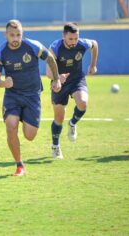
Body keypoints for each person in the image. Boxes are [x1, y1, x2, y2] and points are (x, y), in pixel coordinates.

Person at [0, 19, 61, 176]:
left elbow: (50, 58)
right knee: (10, 126)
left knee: (29, 136)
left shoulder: (33, 46)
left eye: (18, 35)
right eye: (12, 35)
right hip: (13, 95)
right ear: (5, 35)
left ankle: (23, 117)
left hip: (32, 96)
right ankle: (19, 165)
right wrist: (4, 83)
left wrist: (56, 79)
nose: (15, 39)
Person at [46, 22, 99, 159]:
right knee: (59, 117)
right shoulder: (55, 48)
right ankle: (55, 146)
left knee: (83, 103)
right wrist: (57, 78)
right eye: (70, 39)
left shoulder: (82, 44)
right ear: (64, 36)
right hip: (59, 82)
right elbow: (48, 72)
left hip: (76, 79)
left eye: (76, 38)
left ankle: (72, 123)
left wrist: (93, 65)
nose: (73, 42)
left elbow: (95, 44)